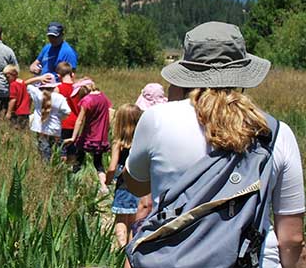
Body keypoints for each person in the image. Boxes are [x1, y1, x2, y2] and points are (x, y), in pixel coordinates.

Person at [124, 22, 304, 268]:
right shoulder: (275, 133)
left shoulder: (156, 119)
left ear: (186, 73)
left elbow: (135, 185)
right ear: (242, 73)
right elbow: (292, 239)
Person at [63, 77, 113, 194]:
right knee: (98, 163)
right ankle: (104, 186)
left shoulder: (87, 100)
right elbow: (110, 113)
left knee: (78, 161)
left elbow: (79, 121)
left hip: (88, 137)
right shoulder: (103, 98)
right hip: (101, 138)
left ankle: (71, 186)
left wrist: (73, 137)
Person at [105, 104, 143, 249]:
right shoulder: (141, 141)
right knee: (133, 219)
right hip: (139, 183)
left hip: (123, 184)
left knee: (121, 218)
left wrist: (107, 180)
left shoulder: (118, 143)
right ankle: (130, 247)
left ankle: (121, 248)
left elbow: (112, 167)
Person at [28, 79, 71, 160]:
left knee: (44, 149)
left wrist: (40, 77)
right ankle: (59, 165)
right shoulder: (60, 97)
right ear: (54, 87)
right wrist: (60, 118)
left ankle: (45, 166)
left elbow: (26, 84)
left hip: (39, 127)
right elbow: (67, 111)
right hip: (55, 127)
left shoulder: (37, 94)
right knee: (56, 148)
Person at [56, 61, 79, 164]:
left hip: (63, 122)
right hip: (75, 123)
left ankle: (61, 169)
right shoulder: (78, 88)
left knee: (62, 149)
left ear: (58, 75)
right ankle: (71, 170)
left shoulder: (58, 88)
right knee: (72, 149)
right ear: (72, 74)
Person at [3, 64, 31, 129]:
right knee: (24, 131)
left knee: (14, 130)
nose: (6, 79)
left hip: (17, 112)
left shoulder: (13, 85)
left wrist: (9, 113)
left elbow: (13, 100)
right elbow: (29, 96)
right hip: (26, 112)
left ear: (14, 74)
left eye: (7, 77)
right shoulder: (22, 83)